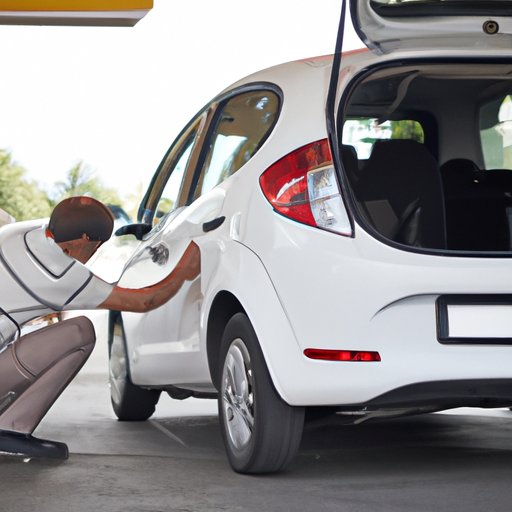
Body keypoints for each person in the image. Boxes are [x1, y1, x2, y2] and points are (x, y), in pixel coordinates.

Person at [0, 196, 200, 459]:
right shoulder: (60, 275)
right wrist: (185, 268)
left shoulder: (13, 232)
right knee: (80, 332)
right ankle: (10, 429)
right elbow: (144, 301)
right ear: (84, 239)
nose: (94, 254)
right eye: (97, 246)